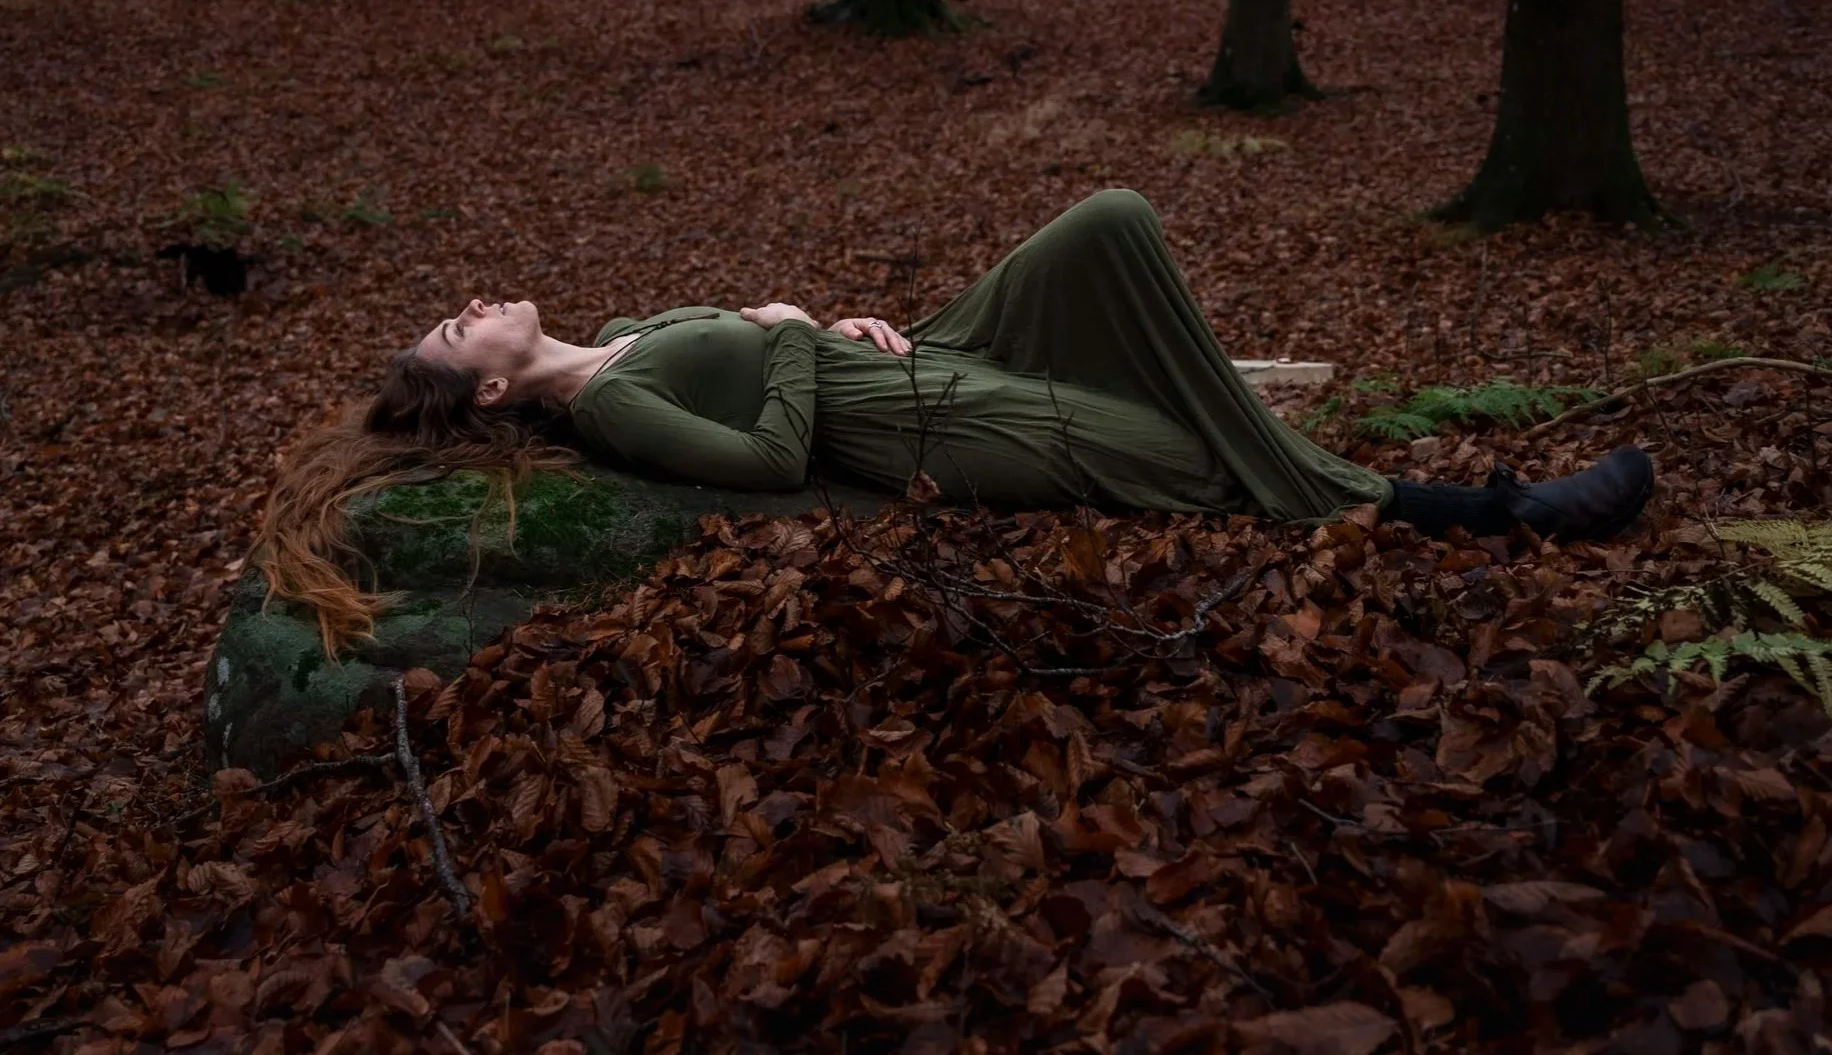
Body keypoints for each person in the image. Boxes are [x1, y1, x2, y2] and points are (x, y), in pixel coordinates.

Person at [260, 190, 1652, 648]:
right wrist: (800, 342)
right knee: (1207, 466)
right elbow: (764, 461)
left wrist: (818, 322)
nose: (470, 303)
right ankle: (1495, 515)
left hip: (924, 357)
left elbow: (757, 358)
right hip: (941, 433)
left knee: (1106, 224)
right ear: (492, 389)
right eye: (456, 331)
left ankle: (1305, 454)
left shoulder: (617, 341)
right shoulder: (611, 409)